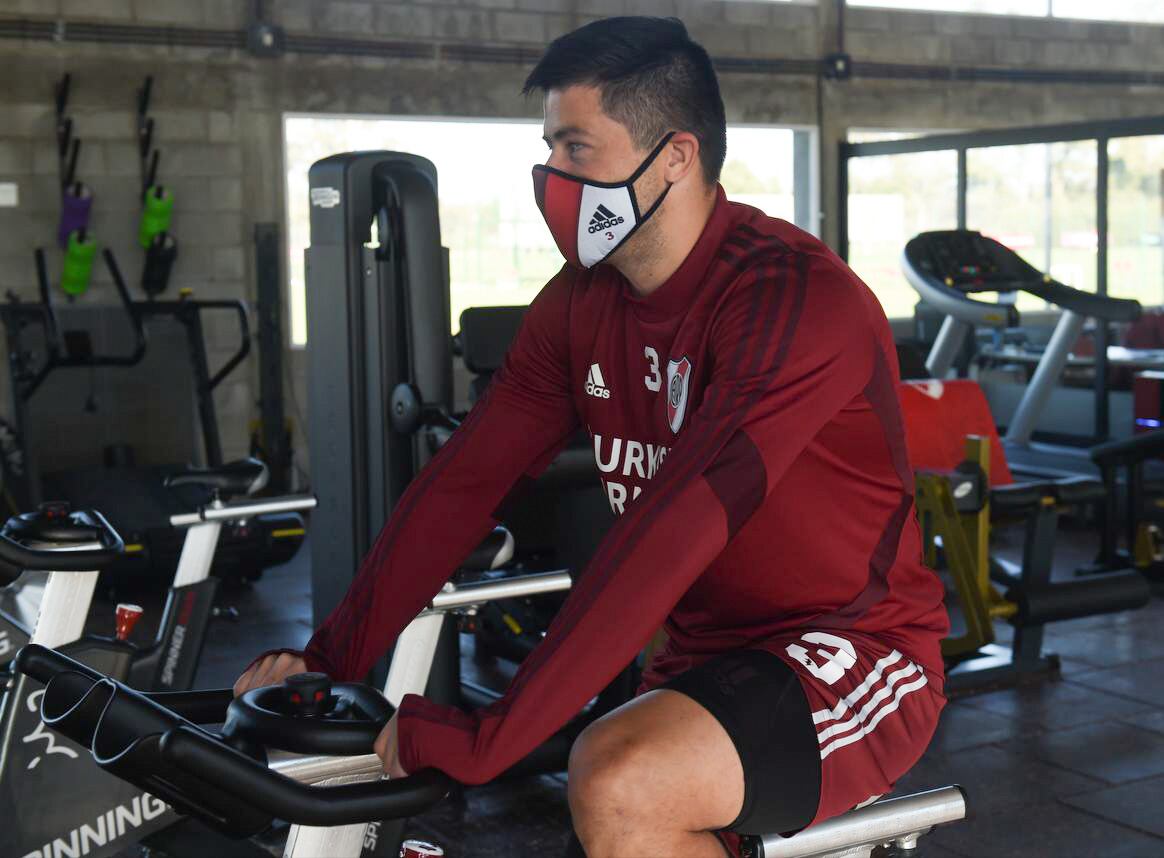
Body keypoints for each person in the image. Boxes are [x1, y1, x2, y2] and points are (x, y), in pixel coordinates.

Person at [236, 16, 950, 858]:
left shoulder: (793, 300)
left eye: (577, 150)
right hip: (703, 655)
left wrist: (495, 732)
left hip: (851, 648)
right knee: (611, 791)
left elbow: (677, 526)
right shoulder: (580, 302)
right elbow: (467, 481)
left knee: (617, 781)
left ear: (675, 156)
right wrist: (328, 659)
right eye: (548, 151)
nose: (551, 178)